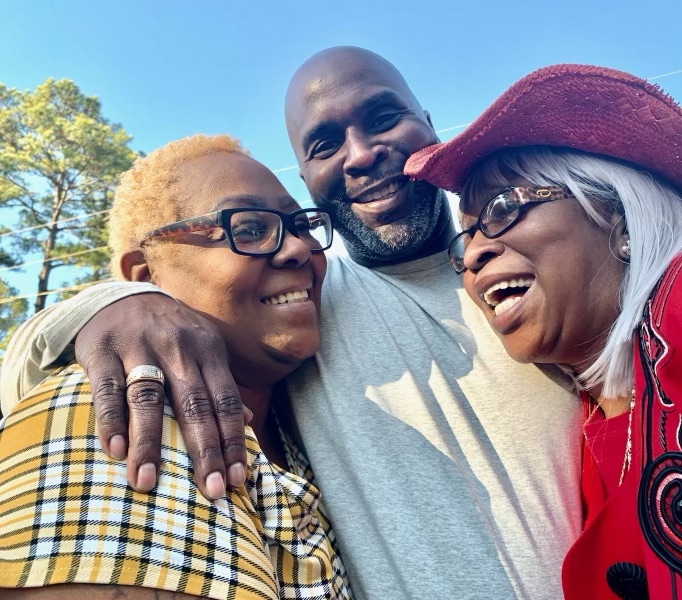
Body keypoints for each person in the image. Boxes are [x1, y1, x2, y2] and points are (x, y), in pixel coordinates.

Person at [0, 48, 584, 599]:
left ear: (429, 125)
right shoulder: (310, 305)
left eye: (384, 118)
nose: (361, 154)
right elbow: (32, 385)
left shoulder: (538, 272)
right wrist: (112, 303)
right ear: (307, 177)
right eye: (325, 144)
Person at [405, 63, 682, 598]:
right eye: (466, 237)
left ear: (617, 213)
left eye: (502, 207)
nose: (473, 255)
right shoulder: (590, 427)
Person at [0, 134, 351, 599]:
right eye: (248, 228)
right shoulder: (117, 412)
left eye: (301, 225)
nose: (299, 249)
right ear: (146, 277)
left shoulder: (302, 413)